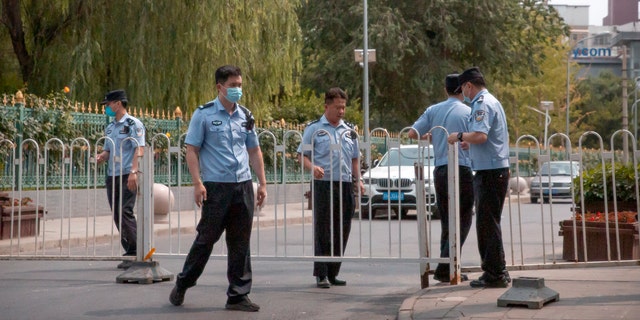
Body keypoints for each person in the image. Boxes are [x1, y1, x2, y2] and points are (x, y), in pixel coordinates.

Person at [169, 65, 267, 312]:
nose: (238, 90)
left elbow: (254, 150)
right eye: (233, 85)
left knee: (240, 243)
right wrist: (197, 183)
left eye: (240, 85)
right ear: (219, 87)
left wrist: (262, 183)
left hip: (242, 185)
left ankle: (237, 295)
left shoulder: (245, 115)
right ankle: (183, 283)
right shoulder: (203, 114)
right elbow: (192, 150)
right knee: (206, 239)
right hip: (216, 187)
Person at [447, 67, 511, 288]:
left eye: (464, 89)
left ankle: (495, 274)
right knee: (489, 224)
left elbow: (481, 135)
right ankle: (498, 270)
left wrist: (460, 136)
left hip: (490, 173)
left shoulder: (481, 104)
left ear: (468, 86)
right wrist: (469, 142)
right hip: (494, 170)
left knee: (487, 225)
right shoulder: (492, 100)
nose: (464, 94)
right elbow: (486, 137)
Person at [409, 74, 474, 283]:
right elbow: (477, 137)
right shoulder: (469, 111)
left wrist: (433, 136)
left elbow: (412, 133)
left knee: (447, 219)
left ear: (445, 89)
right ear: (462, 89)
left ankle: (449, 266)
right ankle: (446, 267)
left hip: (440, 170)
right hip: (461, 169)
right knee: (463, 218)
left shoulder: (433, 110)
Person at [297, 87, 364, 288]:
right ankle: (322, 274)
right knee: (323, 230)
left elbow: (355, 159)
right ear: (327, 106)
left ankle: (334, 272)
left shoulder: (350, 131)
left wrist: (358, 180)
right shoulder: (314, 129)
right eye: (337, 107)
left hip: (344, 185)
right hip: (323, 185)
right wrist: (312, 168)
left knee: (342, 229)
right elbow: (301, 156)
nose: (341, 111)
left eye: (343, 107)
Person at [95, 89, 145, 270]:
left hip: (127, 174)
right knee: (117, 213)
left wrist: (134, 171)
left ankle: (137, 251)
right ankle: (130, 250)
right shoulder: (110, 127)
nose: (107, 108)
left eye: (108, 104)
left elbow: (139, 149)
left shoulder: (133, 124)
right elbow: (108, 150)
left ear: (118, 103)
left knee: (125, 211)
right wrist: (102, 156)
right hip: (112, 174)